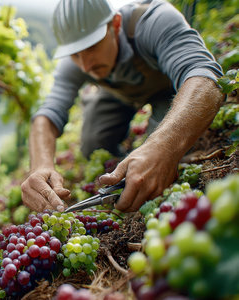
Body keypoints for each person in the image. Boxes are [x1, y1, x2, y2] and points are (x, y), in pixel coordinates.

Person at [21, 0, 224, 213]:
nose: (85, 65)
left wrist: (162, 147)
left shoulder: (154, 21)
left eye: (92, 46)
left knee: (167, 151)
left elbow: (205, 79)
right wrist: (40, 165)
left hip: (169, 89)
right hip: (119, 95)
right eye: (76, 54)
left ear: (115, 25)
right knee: (94, 144)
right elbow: (47, 115)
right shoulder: (77, 62)